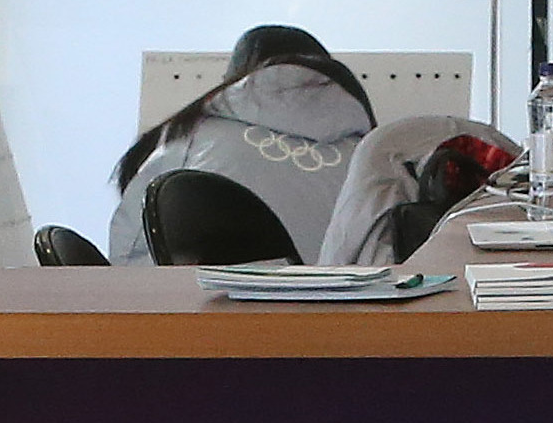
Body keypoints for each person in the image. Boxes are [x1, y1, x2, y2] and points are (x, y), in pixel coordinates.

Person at [103, 26, 378, 262]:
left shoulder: (193, 134)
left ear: (237, 78)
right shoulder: (376, 154)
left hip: (209, 313)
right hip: (341, 317)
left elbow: (133, 247)